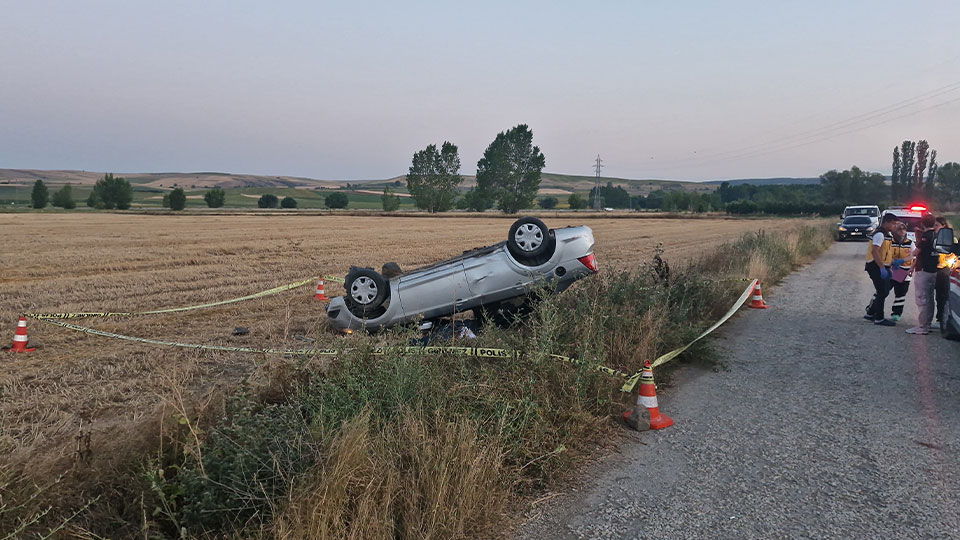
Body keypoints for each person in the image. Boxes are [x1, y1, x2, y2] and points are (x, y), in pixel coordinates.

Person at [906, 213, 940, 335]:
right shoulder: (936, 235)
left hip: (924, 271)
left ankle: (923, 326)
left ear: (922, 223)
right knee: (930, 299)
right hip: (933, 270)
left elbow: (916, 252)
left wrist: (918, 238)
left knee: (922, 299)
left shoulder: (925, 236)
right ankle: (928, 323)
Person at [864, 213, 898, 326]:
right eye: (893, 224)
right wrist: (882, 268)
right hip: (876, 266)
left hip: (883, 266)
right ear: (886, 223)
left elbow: (886, 252)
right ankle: (879, 317)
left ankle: (870, 312)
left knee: (885, 290)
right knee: (882, 291)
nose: (895, 226)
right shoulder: (880, 234)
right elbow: (875, 251)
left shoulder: (887, 235)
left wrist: (892, 263)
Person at [887, 222, 913, 322]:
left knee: (900, 294)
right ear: (895, 231)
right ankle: (873, 309)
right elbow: (885, 253)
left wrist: (903, 260)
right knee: (883, 291)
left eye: (904, 229)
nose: (902, 231)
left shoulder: (909, 243)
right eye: (899, 229)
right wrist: (892, 261)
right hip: (891, 270)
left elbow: (913, 255)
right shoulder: (890, 241)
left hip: (904, 272)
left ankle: (896, 313)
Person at [933, 217, 953, 329]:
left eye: (937, 225)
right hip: (933, 269)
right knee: (937, 296)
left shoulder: (951, 239)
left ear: (943, 226)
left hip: (944, 270)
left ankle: (941, 319)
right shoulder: (933, 238)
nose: (934, 227)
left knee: (943, 296)